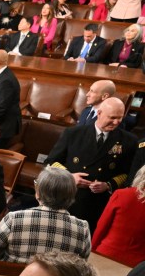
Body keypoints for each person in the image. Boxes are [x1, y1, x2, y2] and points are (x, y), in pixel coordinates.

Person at [46, 97, 137, 234]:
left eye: (120, 118)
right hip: (69, 195)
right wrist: (69, 177)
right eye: (112, 117)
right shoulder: (74, 134)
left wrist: (108, 184)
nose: (116, 122)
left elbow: (128, 173)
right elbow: (51, 161)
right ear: (99, 113)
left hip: (99, 201)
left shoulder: (129, 141)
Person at [0, 167, 91, 263]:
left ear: (38, 191)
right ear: (72, 194)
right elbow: (81, 264)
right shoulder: (83, 227)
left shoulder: (14, 218)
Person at [92, 168, 145, 266]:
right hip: (136, 268)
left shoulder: (121, 194)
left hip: (104, 256)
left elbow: (102, 227)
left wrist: (92, 251)